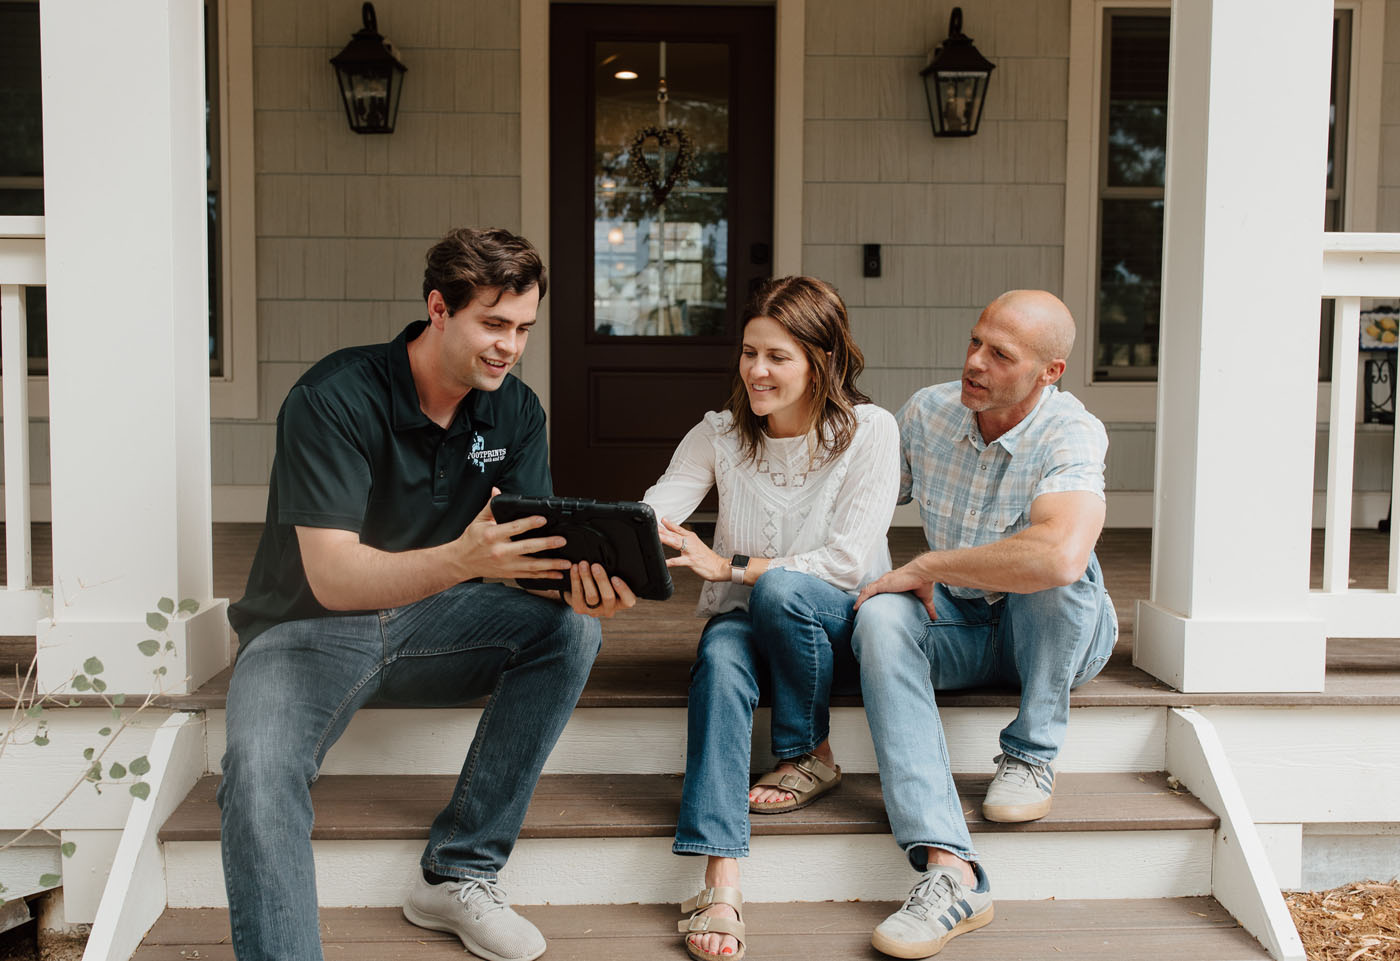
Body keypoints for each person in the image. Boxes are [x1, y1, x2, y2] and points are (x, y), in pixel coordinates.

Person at [219, 227, 635, 961]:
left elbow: (527, 557)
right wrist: (461, 558)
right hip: (303, 631)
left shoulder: (516, 411)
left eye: (524, 329)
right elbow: (334, 576)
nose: (510, 346)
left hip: (436, 625)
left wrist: (580, 590)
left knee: (571, 631)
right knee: (256, 774)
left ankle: (461, 869)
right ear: (439, 308)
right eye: (494, 324)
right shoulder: (333, 397)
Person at [852, 289, 1117, 959]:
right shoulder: (928, 412)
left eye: (1000, 354)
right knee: (882, 615)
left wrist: (934, 559)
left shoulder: (1071, 431)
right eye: (975, 342)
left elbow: (1060, 553)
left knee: (1058, 569)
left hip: (1053, 638)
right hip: (962, 628)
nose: (974, 362)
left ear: (1049, 371)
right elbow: (857, 507)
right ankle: (950, 873)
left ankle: (1031, 754)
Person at [643, 276, 900, 961]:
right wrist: (629, 536)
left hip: (834, 621)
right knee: (723, 659)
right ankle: (719, 876)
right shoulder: (721, 434)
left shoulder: (869, 431)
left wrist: (728, 564)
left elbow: (846, 565)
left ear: (823, 360)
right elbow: (657, 509)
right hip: (748, 621)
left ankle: (805, 750)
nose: (757, 370)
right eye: (750, 352)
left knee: (782, 587)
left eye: (778, 356)